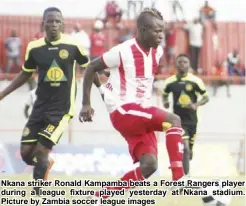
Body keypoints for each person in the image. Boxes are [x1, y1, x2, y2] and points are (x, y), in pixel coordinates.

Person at [80, 8, 185, 202]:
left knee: (149, 165)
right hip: (125, 111)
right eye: (156, 31)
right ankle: (179, 178)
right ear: (143, 30)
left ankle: (100, 197)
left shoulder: (157, 51)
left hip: (139, 114)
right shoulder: (122, 51)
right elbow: (91, 67)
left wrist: (109, 84)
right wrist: (86, 103)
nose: (161, 35)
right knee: (174, 120)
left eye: (162, 30)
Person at [0, 7, 101, 195]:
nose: (54, 25)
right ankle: (46, 164)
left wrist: (91, 99)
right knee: (25, 153)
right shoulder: (34, 47)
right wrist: (3, 93)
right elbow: (25, 74)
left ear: (62, 24)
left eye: (57, 21)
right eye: (50, 21)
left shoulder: (73, 46)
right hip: (40, 107)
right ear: (43, 24)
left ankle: (39, 194)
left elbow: (89, 69)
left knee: (41, 151)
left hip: (61, 109)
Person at [162, 54, 209, 175]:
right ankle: (184, 178)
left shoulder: (195, 81)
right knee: (185, 148)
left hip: (192, 120)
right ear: (176, 64)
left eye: (185, 62)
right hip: (178, 120)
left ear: (189, 65)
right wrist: (165, 102)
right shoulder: (170, 82)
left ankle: (188, 158)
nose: (182, 64)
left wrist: (196, 104)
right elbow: (164, 94)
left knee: (189, 149)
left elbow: (206, 97)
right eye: (180, 62)